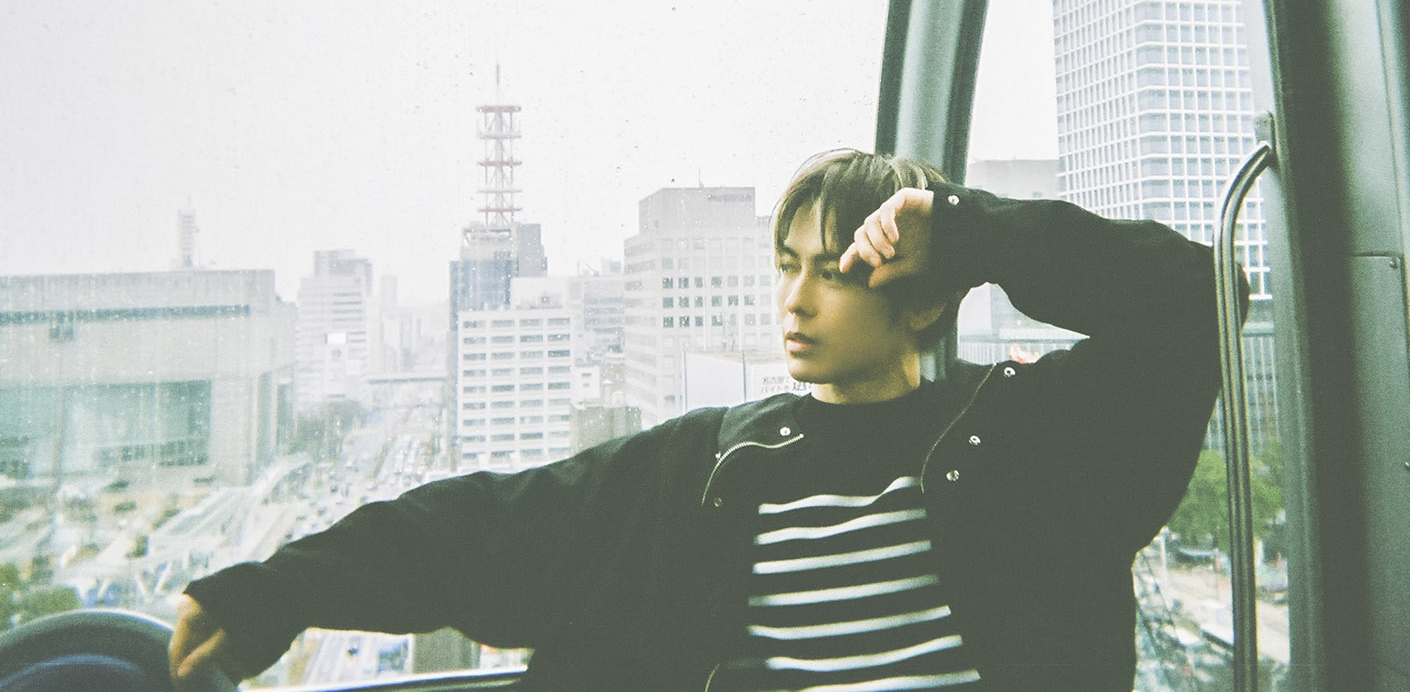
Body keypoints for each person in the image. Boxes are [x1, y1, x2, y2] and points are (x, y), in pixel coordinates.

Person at [170, 149, 1235, 691]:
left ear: (922, 301)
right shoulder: (721, 466)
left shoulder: (1031, 443)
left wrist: (967, 228)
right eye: (786, 267)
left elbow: (1195, 302)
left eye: (834, 272)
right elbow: (491, 526)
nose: (794, 301)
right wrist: (278, 591)